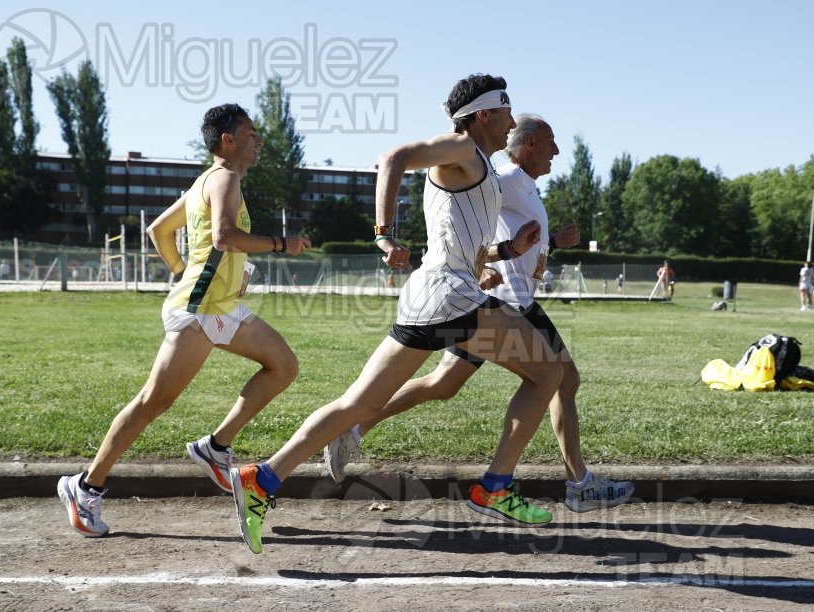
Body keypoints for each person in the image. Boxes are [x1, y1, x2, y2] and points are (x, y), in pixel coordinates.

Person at [228, 74, 564, 554]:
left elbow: (461, 242)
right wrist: (383, 233)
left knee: (358, 405)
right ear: (484, 114)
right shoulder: (460, 147)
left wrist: (509, 249)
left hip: (434, 296)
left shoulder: (477, 166)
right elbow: (394, 158)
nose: (512, 121)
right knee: (547, 372)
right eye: (507, 112)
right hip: (451, 299)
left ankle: (262, 478)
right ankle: (495, 486)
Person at [324, 114, 633, 515]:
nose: (557, 151)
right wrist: (477, 263)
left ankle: (354, 427)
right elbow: (453, 222)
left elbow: (514, 243)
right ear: (530, 144)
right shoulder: (502, 179)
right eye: (551, 143)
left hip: (502, 301)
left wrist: (552, 242)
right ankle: (573, 484)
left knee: (443, 383)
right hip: (505, 303)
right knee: (560, 378)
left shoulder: (524, 186)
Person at [57, 103, 311, 537]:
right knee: (153, 402)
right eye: (251, 132)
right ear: (228, 140)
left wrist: (184, 269)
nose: (258, 139)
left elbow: (157, 230)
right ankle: (86, 487)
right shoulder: (225, 178)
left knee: (284, 366)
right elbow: (226, 237)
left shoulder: (206, 182)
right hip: (198, 310)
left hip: (221, 306)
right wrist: (281, 243)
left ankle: (215, 447)